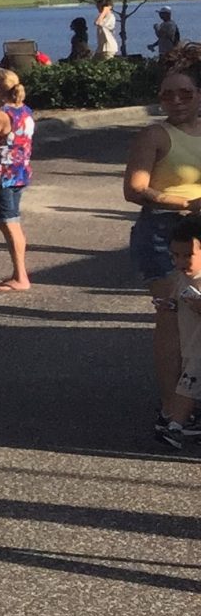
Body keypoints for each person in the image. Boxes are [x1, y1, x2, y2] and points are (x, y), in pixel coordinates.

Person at [122, 54, 201, 443]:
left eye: (184, 93)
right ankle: (171, 407)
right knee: (172, 315)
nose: (177, 100)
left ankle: (187, 402)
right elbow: (134, 190)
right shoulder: (154, 136)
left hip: (198, 232)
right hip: (163, 232)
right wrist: (186, 203)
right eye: (168, 95)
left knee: (195, 322)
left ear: (199, 95)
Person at [0, 68, 34, 292]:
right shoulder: (25, 111)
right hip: (21, 171)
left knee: (9, 223)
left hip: (3, 174)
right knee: (13, 221)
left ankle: (21, 276)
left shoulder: (1, 115)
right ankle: (18, 273)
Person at [154, 218, 201, 450]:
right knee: (189, 384)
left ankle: (175, 426)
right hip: (190, 346)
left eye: (187, 256)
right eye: (175, 256)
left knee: (188, 386)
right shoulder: (182, 278)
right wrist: (169, 305)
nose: (180, 262)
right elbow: (176, 297)